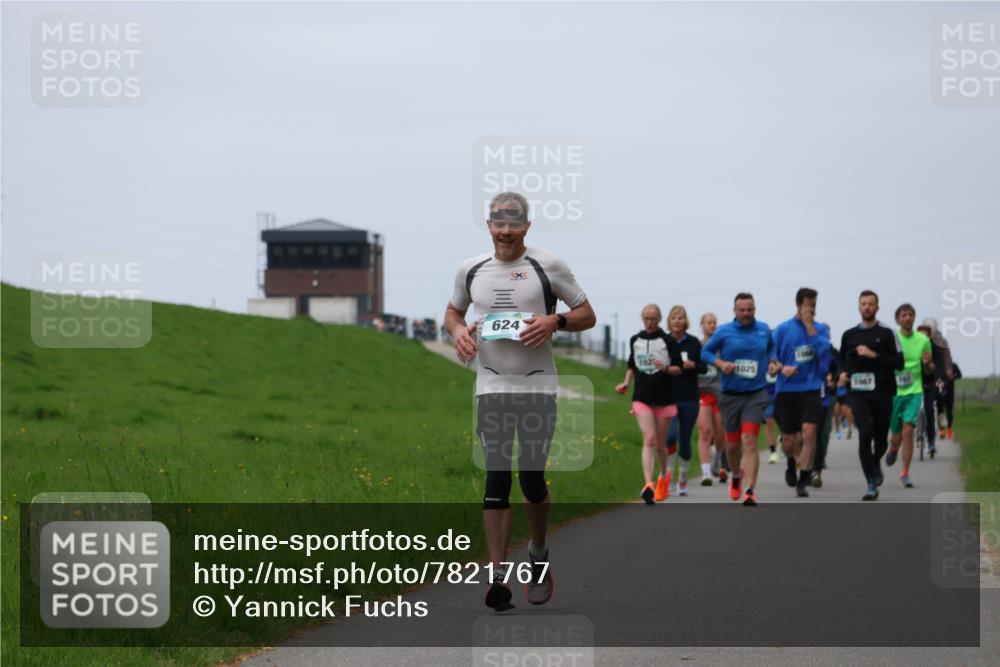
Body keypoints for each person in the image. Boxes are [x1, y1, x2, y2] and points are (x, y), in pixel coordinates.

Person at [445, 192, 596, 612]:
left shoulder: (548, 266)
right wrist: (457, 330)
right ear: (489, 225)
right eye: (498, 222)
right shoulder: (470, 269)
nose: (506, 230)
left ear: (527, 226)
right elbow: (453, 311)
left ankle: (539, 552)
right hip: (492, 387)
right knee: (496, 479)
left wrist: (556, 320)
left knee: (531, 481)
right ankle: (497, 578)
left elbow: (588, 314)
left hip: (537, 387)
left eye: (514, 223)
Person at [701, 292, 779, 506]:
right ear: (734, 311)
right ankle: (736, 475)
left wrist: (773, 361)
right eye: (742, 310)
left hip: (756, 394)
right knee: (733, 445)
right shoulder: (724, 331)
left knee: (749, 441)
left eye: (750, 310)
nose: (746, 314)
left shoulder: (763, 329)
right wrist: (720, 364)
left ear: (755, 309)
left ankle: (750, 489)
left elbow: (772, 348)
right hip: (730, 395)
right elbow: (705, 352)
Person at [839, 290, 904, 501]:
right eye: (863, 304)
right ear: (859, 307)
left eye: (870, 304)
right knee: (865, 433)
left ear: (877, 308)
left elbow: (899, 363)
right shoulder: (849, 335)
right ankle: (870, 483)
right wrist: (841, 374)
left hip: (882, 392)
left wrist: (874, 355)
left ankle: (876, 461)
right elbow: (840, 361)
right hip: (858, 393)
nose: (867, 307)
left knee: (880, 440)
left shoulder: (887, 333)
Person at [616, 305, 679, 503]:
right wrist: (626, 383)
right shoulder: (636, 340)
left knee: (660, 443)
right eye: (646, 318)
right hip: (641, 396)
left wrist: (666, 368)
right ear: (642, 318)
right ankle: (648, 484)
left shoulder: (668, 340)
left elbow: (679, 369)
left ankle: (663, 475)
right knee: (649, 438)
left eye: (653, 318)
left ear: (659, 319)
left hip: (664, 397)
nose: (650, 321)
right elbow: (631, 365)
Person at [772, 287, 831, 498]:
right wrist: (781, 367)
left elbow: (824, 352)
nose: (811, 310)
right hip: (787, 389)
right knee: (789, 442)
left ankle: (804, 479)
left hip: (812, 388)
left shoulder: (820, 329)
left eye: (814, 306)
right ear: (798, 304)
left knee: (809, 432)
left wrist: (809, 327)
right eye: (808, 305)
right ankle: (790, 461)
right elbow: (771, 360)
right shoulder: (782, 329)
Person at [885, 304, 933, 488]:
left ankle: (905, 472)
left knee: (908, 430)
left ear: (914, 318)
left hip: (915, 390)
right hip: (895, 392)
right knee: (896, 435)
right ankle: (894, 447)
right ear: (898, 319)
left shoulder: (923, 340)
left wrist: (928, 364)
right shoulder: (892, 339)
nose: (908, 318)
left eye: (911, 315)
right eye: (904, 315)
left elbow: (930, 369)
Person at [664, 305, 706, 496]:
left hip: (689, 397)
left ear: (685, 321)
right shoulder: (664, 341)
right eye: (674, 318)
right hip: (669, 397)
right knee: (670, 437)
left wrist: (693, 365)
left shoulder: (694, 343)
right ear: (669, 321)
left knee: (685, 439)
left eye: (680, 318)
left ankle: (682, 478)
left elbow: (704, 367)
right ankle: (670, 476)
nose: (677, 321)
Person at [696, 313, 728, 485]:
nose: (712, 325)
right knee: (705, 432)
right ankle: (706, 472)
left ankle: (717, 457)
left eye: (715, 322)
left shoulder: (722, 346)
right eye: (709, 322)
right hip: (701, 393)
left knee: (720, 434)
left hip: (719, 393)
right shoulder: (698, 345)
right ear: (702, 325)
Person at [922, 318, 956, 440]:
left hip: (939, 374)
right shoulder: (921, 339)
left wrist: (948, 369)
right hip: (925, 373)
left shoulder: (941, 341)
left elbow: (947, 356)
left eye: (931, 329)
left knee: (940, 395)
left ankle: (943, 421)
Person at [811, 344, 840, 487]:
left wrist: (833, 380)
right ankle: (805, 463)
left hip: (826, 397)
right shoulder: (803, 347)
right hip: (804, 397)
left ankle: (816, 467)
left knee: (823, 431)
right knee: (805, 434)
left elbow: (839, 368)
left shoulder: (831, 351)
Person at [763, 372, 780, 464]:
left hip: (781, 395)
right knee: (768, 422)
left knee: (785, 426)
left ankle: (782, 439)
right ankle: (773, 452)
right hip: (767, 397)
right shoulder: (763, 359)